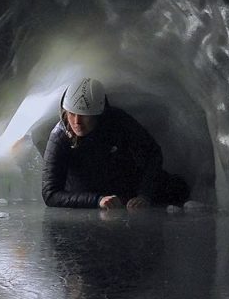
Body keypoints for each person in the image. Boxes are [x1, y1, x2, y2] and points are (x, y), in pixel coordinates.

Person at [42, 77, 190, 209]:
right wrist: (96, 201)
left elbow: (153, 153)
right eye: (72, 114)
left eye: (84, 115)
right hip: (87, 195)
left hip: (126, 191)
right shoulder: (59, 137)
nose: (77, 122)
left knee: (178, 188)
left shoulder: (117, 122)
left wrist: (144, 195)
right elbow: (51, 194)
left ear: (98, 114)